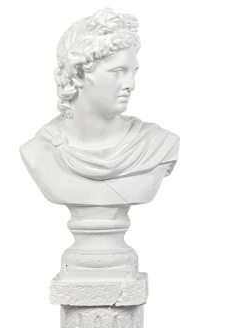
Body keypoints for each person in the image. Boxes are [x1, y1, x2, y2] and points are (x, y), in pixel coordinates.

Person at [20, 8, 180, 206]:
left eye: (133, 72)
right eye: (118, 71)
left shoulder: (157, 144)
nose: (131, 84)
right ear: (78, 74)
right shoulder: (40, 150)